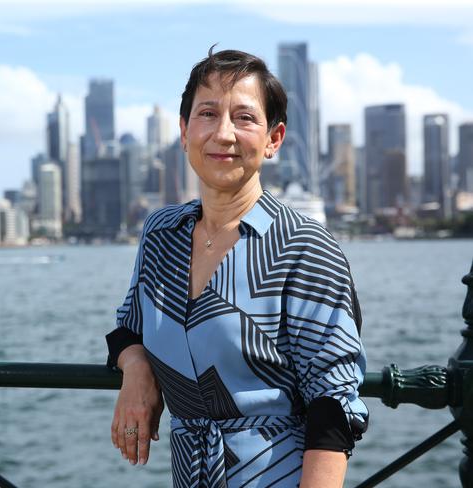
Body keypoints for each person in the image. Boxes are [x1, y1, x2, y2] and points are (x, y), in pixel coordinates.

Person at [105, 47, 368, 488]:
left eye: (244, 118)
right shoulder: (161, 233)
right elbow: (128, 328)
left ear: (273, 139)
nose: (223, 133)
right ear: (185, 130)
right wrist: (136, 369)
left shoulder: (302, 245)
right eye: (207, 113)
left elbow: (334, 402)